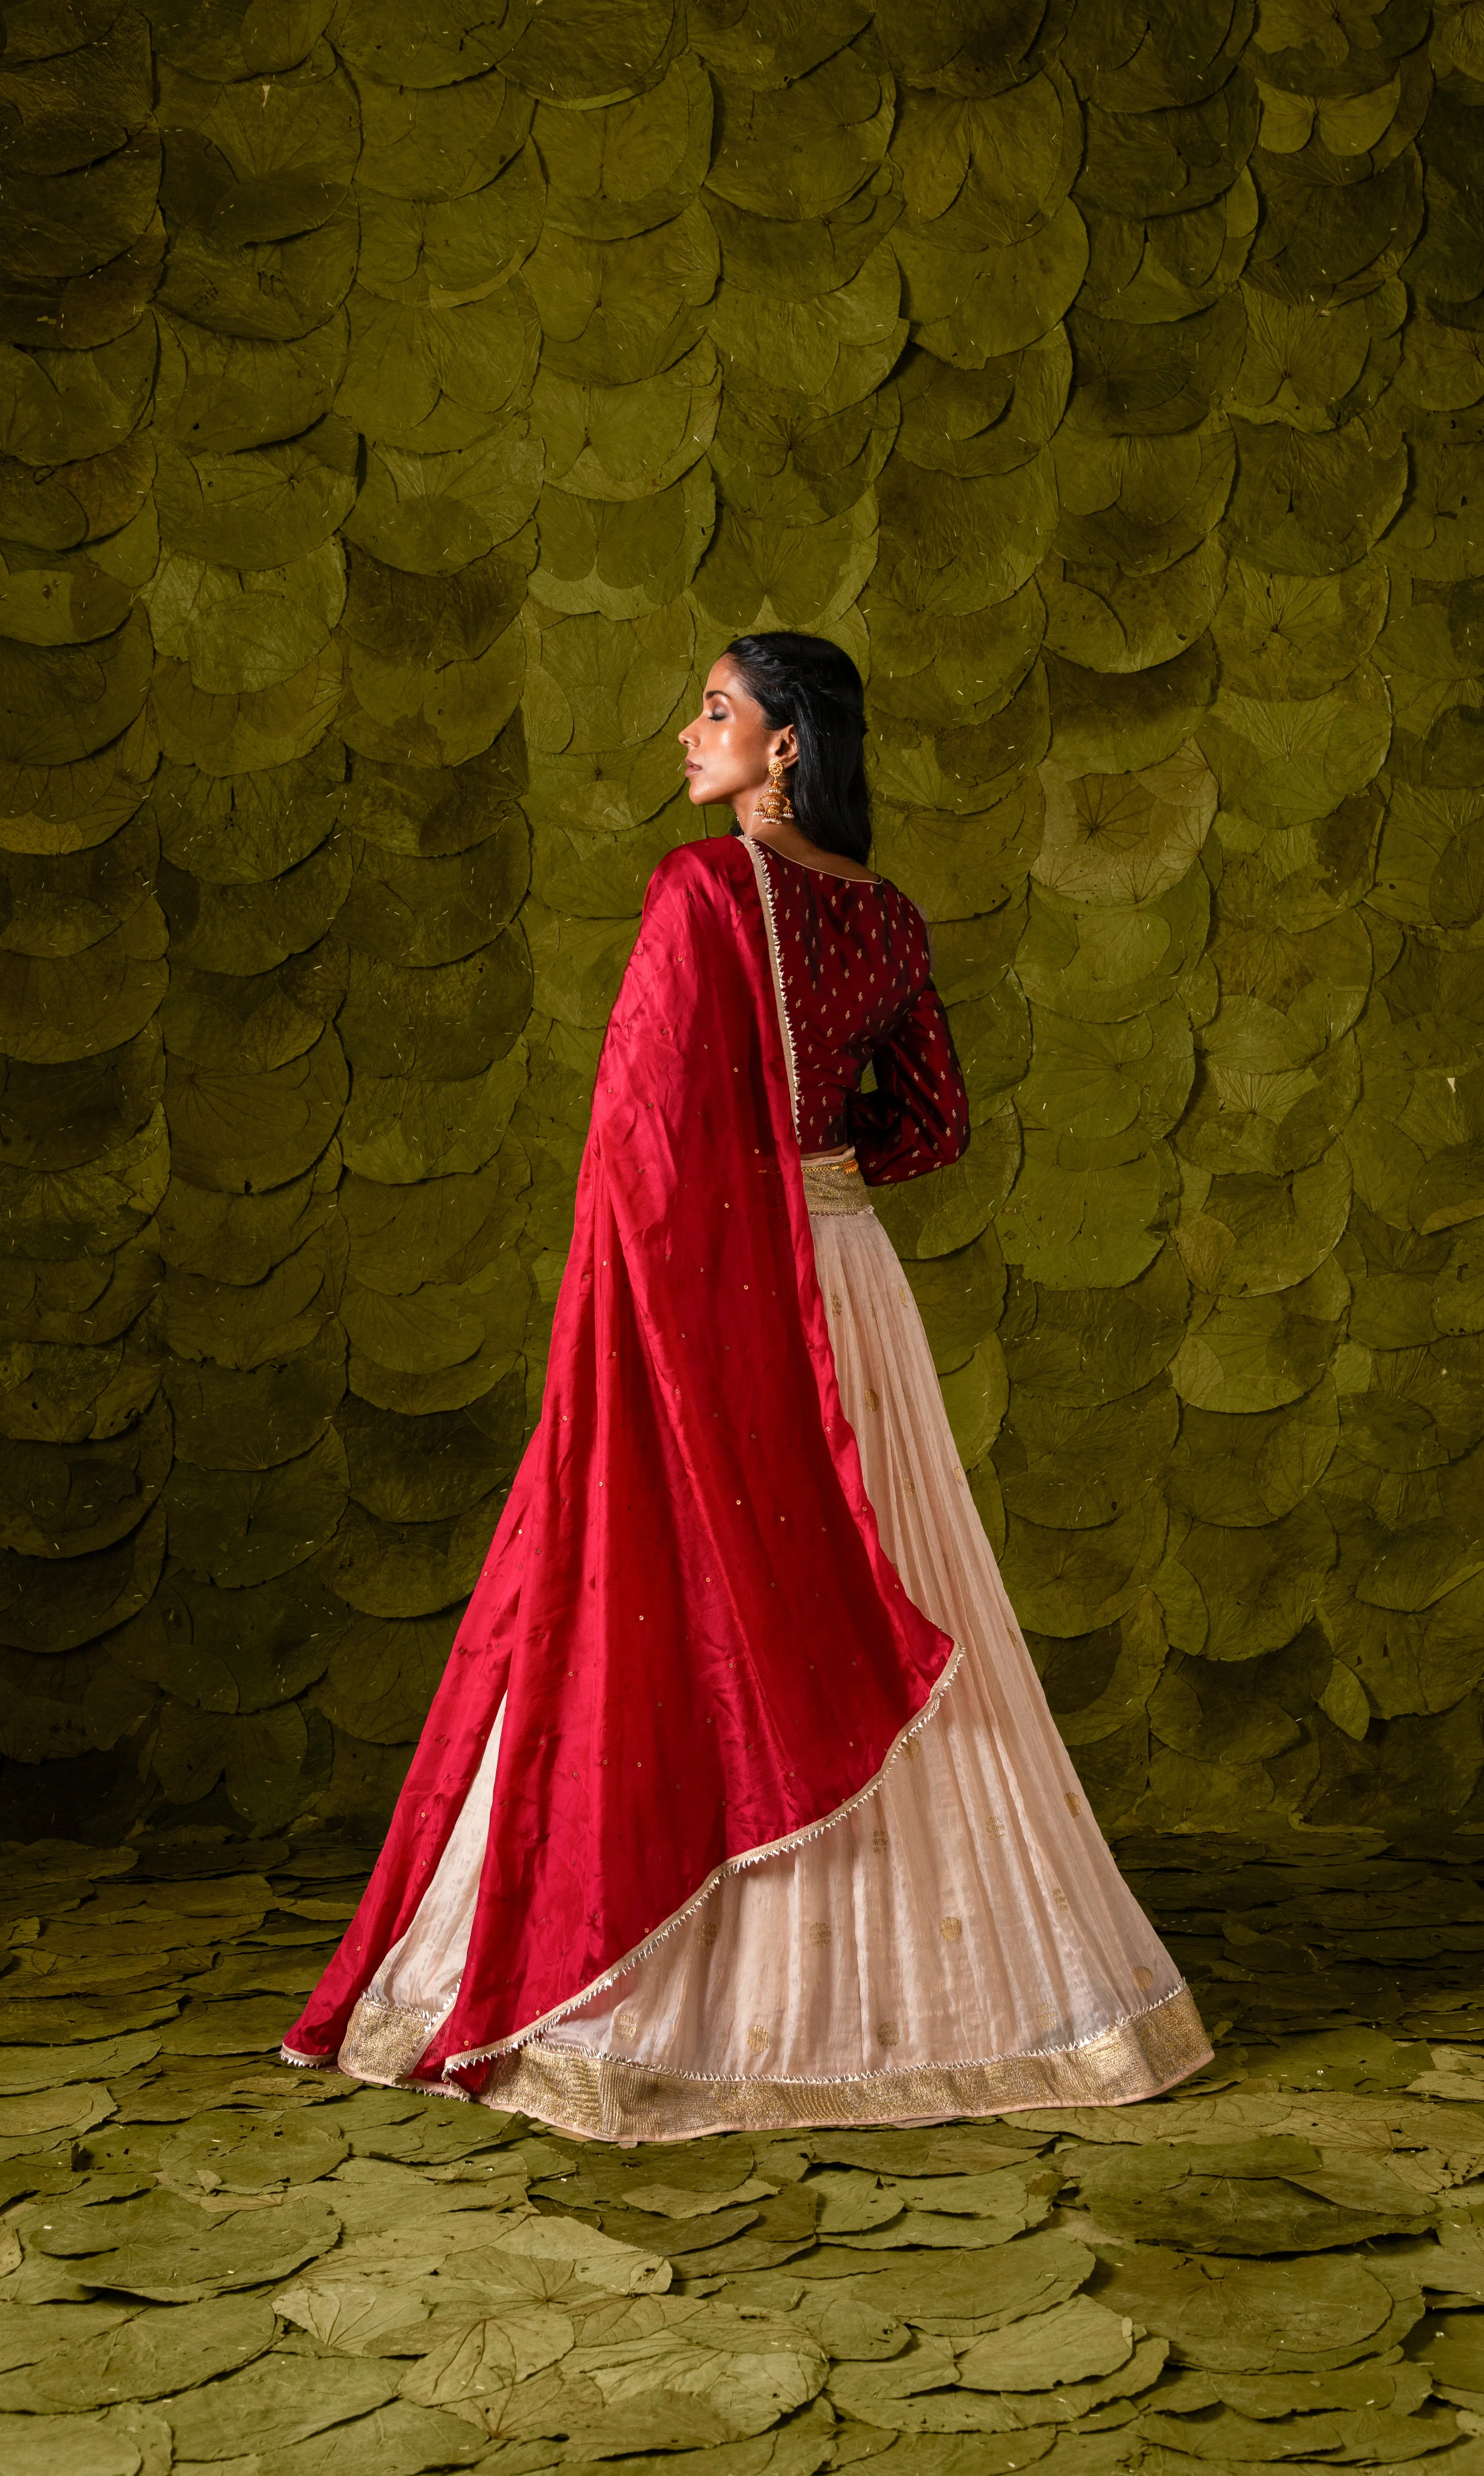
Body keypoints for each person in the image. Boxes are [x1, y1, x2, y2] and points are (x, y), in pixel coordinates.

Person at [282, 631, 1211, 2138]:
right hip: (853, 1290)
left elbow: (644, 1154)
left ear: (789, 747)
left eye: (717, 710)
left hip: (729, 1294)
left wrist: (646, 1308)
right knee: (880, 1587)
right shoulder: (885, 915)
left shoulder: (706, 891)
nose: (686, 731)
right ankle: (956, 1996)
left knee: (711, 1598)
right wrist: (824, 1170)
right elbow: (935, 1124)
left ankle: (689, 2005)